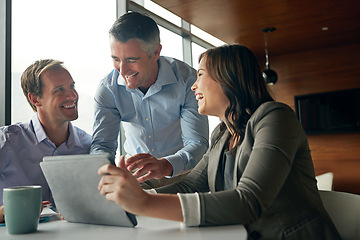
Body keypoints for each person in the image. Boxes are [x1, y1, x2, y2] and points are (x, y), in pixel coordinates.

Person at [97, 44, 341, 239]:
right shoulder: (222, 134)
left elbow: (249, 201)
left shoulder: (275, 118)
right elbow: (189, 185)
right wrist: (126, 199)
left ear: (228, 78)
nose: (193, 85)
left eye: (200, 75)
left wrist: (145, 202)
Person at [91, 12, 209, 188]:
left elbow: (197, 144)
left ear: (156, 52)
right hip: (137, 177)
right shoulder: (108, 89)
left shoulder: (188, 81)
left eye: (131, 60)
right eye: (116, 59)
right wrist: (107, 174)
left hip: (183, 172)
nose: (122, 70)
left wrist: (165, 165)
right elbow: (102, 145)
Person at [0, 59, 91, 223]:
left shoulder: (89, 146)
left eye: (72, 86)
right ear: (35, 99)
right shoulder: (6, 141)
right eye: (59, 90)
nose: (72, 95)